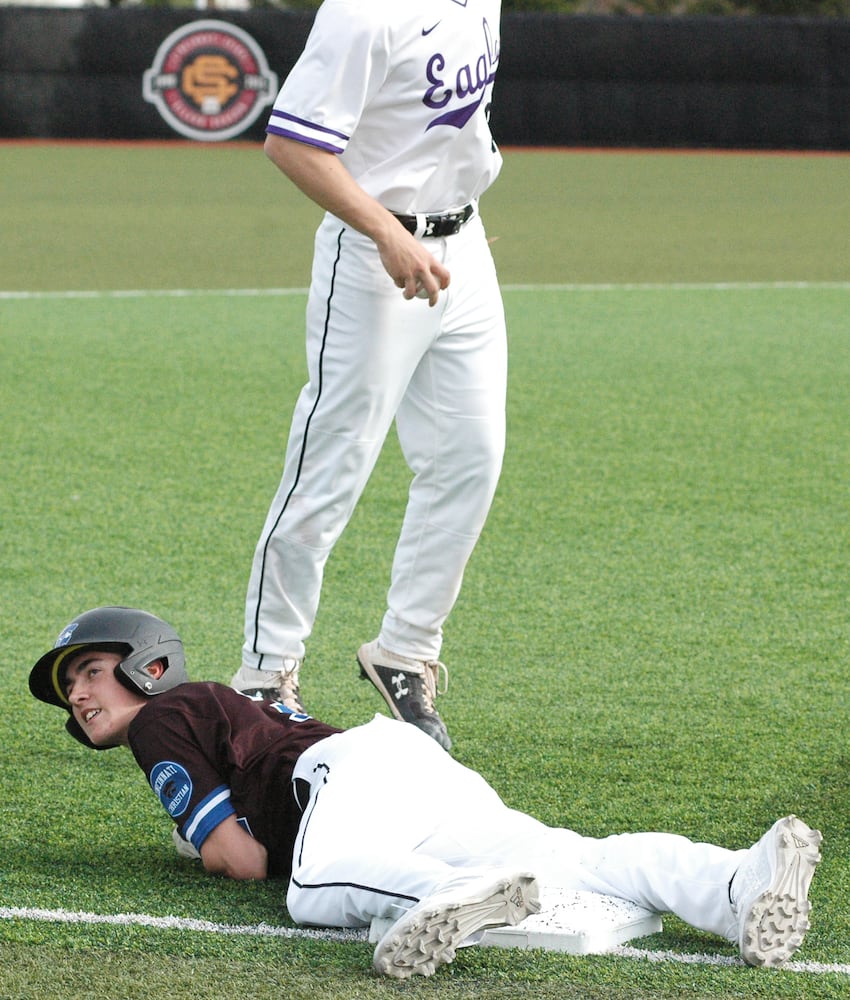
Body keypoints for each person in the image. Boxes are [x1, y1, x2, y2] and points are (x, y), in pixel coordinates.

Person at [31, 607, 823, 977]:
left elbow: (240, 861)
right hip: (405, 768)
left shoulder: (159, 722)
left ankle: (451, 893)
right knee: (568, 856)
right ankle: (738, 883)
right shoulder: (220, 701)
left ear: (149, 667)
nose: (80, 694)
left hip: (345, 778)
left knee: (312, 886)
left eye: (91, 671)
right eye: (72, 687)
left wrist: (200, 841)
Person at [231, 0, 511, 751]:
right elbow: (291, 143)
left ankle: (404, 652)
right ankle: (264, 673)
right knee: (329, 469)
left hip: (464, 247)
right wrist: (388, 231)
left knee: (470, 457)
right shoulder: (363, 12)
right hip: (373, 258)